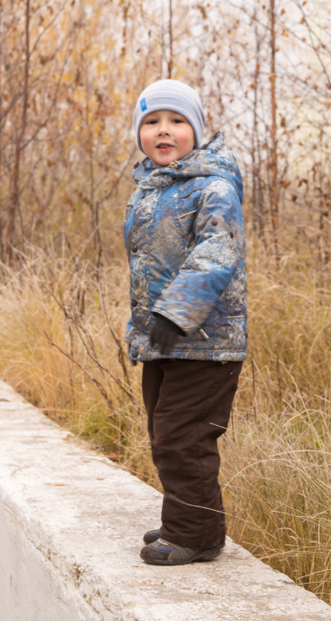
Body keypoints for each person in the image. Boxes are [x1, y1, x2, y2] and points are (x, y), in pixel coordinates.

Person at [124, 79, 247, 566]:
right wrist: (148, 327)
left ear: (195, 130)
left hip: (205, 341)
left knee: (185, 436)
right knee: (164, 432)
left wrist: (176, 313)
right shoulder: (151, 188)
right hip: (163, 340)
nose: (163, 130)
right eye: (151, 122)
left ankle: (194, 534)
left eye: (176, 121)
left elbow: (217, 251)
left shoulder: (213, 187)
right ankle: (190, 518)